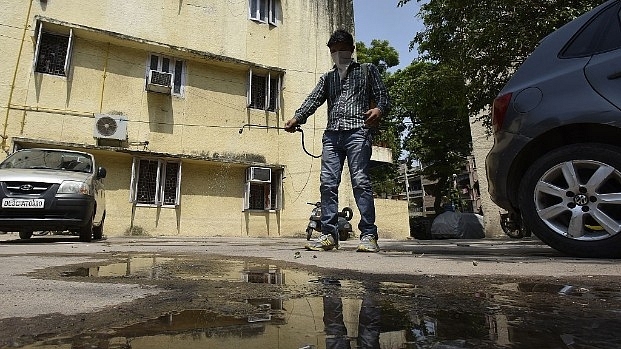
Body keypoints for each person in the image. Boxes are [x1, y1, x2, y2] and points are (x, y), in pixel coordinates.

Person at [285, 29, 391, 252]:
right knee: (327, 184)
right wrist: (296, 118)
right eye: (334, 51)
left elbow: (383, 97)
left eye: (342, 50)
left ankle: (369, 235)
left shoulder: (367, 70)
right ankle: (329, 235)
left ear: (351, 50)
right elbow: (313, 100)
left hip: (358, 133)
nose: (338, 55)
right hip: (332, 135)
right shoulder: (328, 78)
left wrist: (379, 110)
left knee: (361, 182)